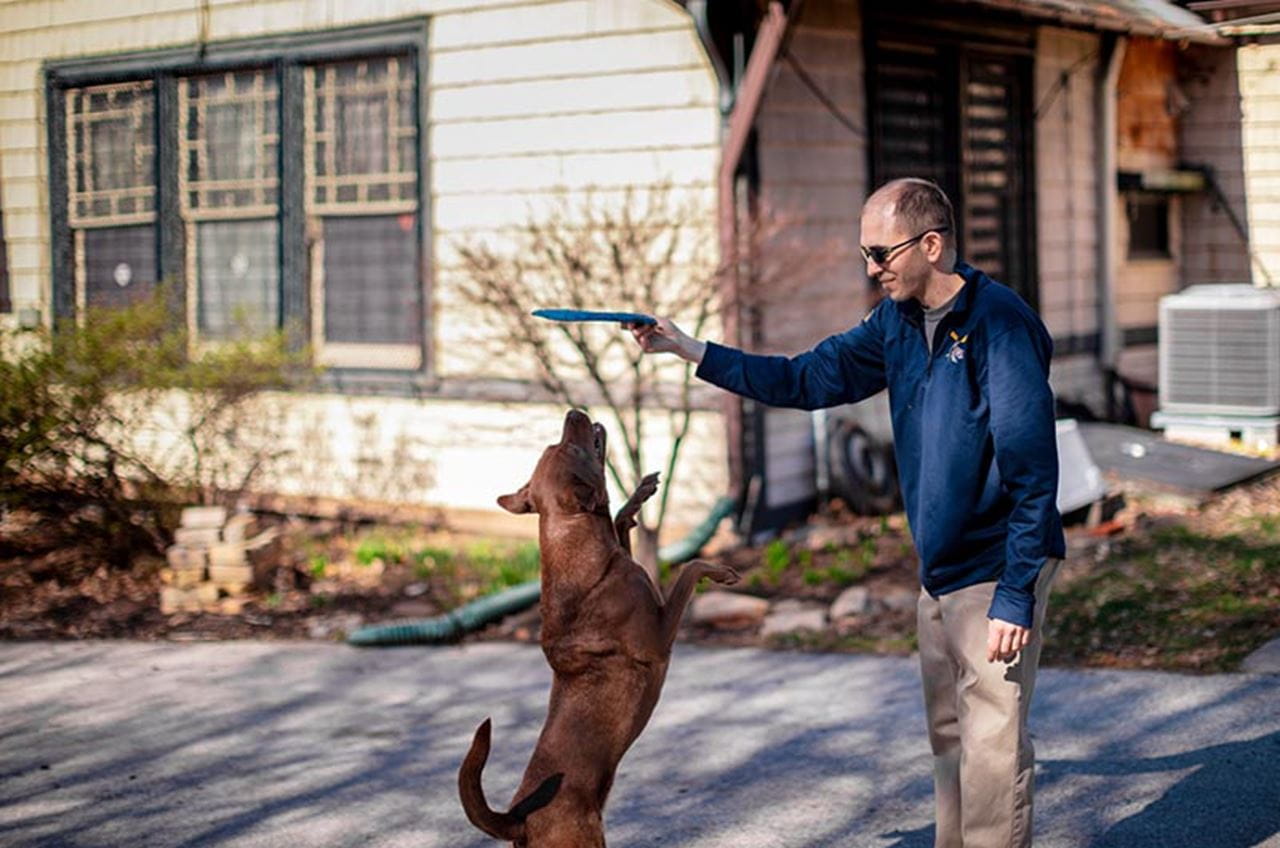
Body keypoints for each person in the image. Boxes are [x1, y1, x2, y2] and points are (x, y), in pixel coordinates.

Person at [628, 177, 1065, 848]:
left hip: (997, 563)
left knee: (993, 746)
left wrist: (1014, 593)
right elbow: (805, 378)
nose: (871, 269)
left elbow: (1034, 469)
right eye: (864, 253)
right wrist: (690, 349)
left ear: (931, 244)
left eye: (881, 254)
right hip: (939, 568)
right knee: (951, 739)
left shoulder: (1000, 324)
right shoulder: (893, 324)